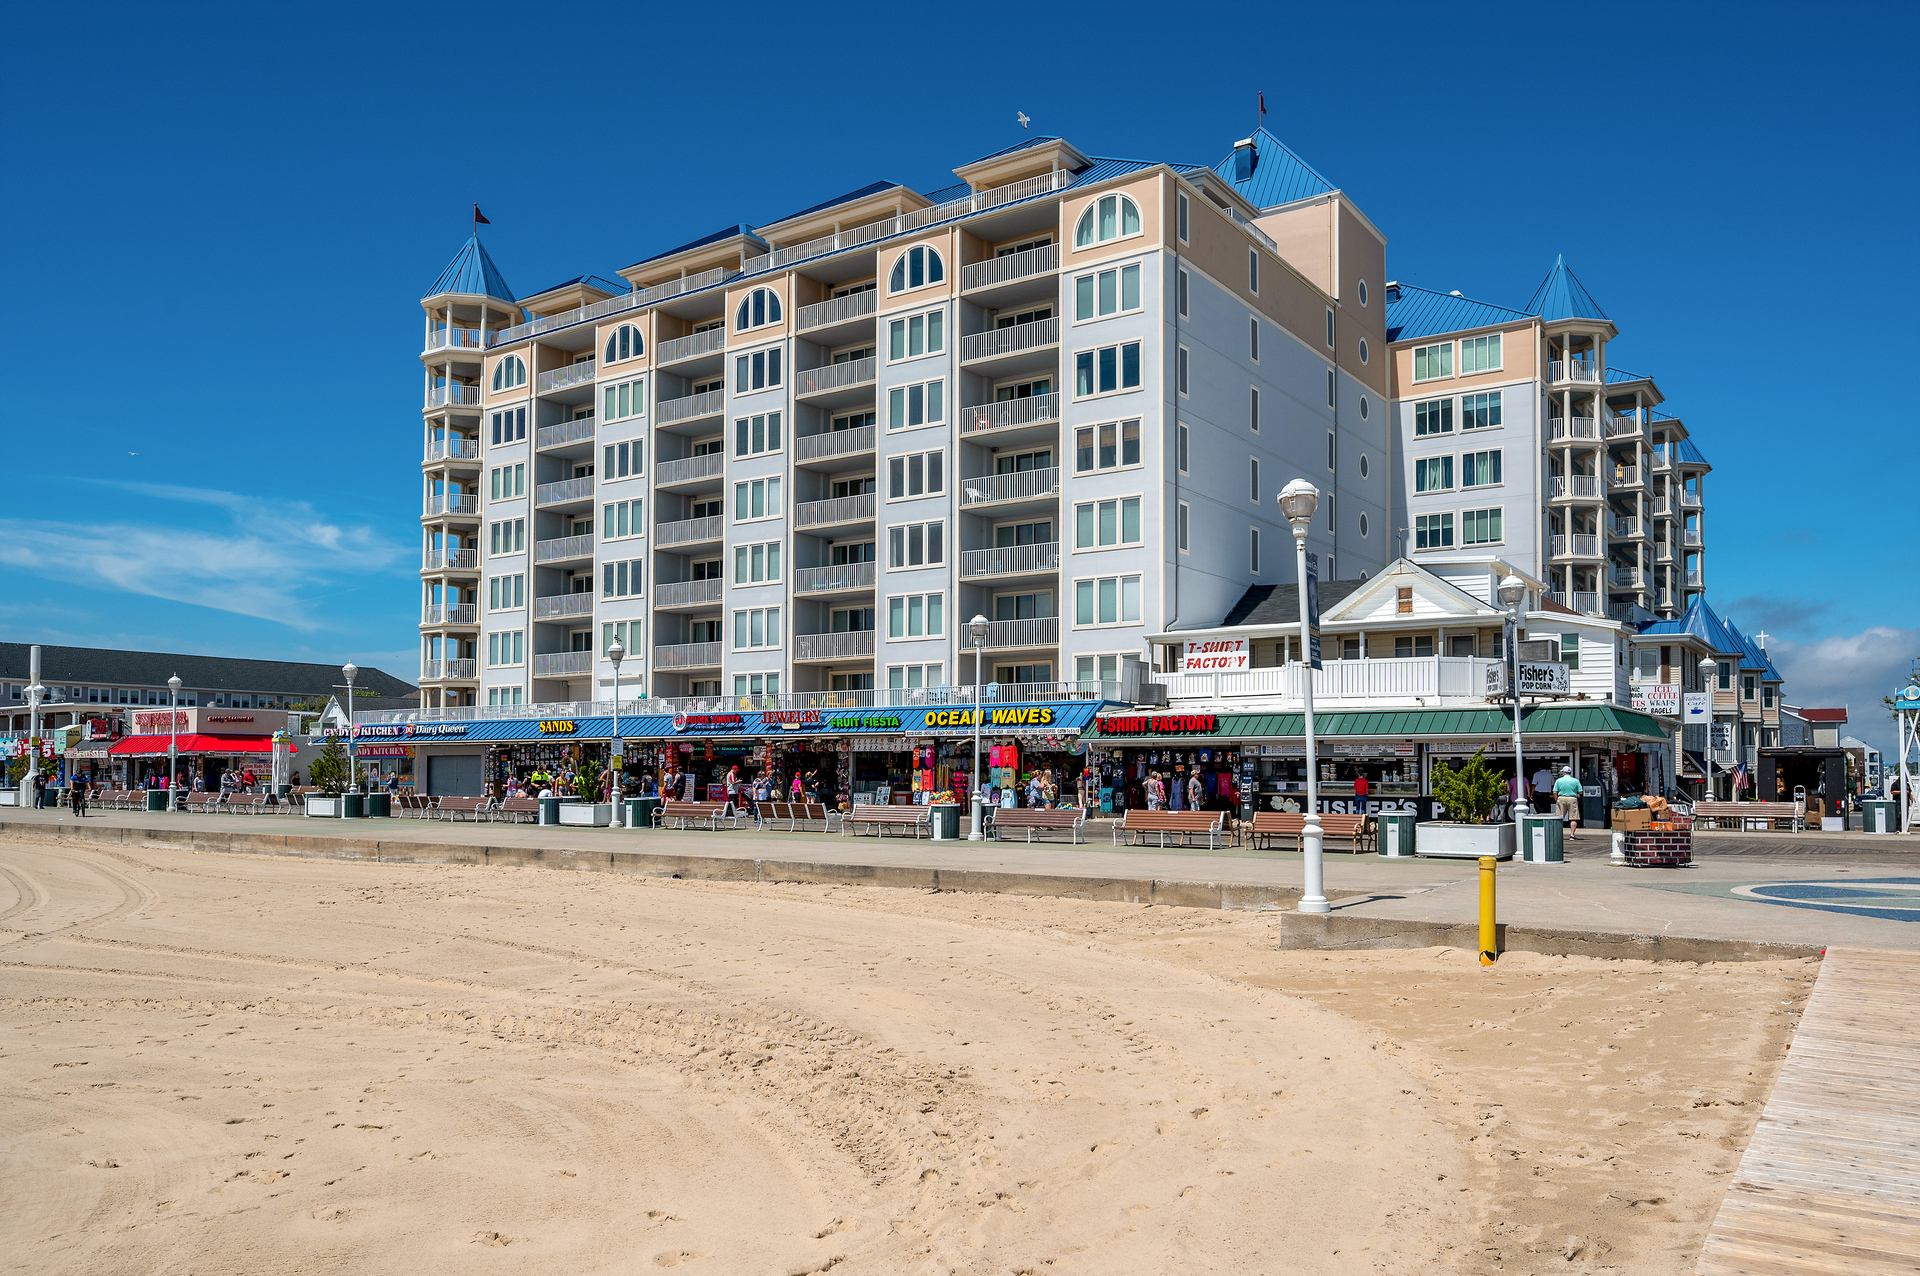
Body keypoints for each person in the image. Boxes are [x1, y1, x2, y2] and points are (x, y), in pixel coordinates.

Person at [1553, 766, 1583, 832]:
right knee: (1573, 818)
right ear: (1570, 773)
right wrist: (1574, 791)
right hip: (1572, 798)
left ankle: (1559, 833)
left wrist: (1556, 800)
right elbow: (1580, 792)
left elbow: (1555, 792)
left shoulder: (1558, 780)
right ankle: (1572, 834)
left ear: (1563, 773)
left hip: (1561, 798)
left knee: (1559, 817)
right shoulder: (1575, 780)